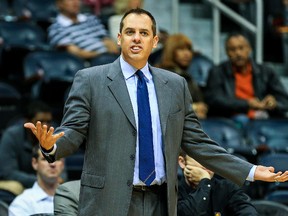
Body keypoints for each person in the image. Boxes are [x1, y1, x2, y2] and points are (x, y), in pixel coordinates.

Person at [24, 8, 288, 216]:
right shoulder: (90, 79)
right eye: (129, 32)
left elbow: (198, 142)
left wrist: (251, 170)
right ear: (119, 38)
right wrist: (51, 148)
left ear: (155, 40)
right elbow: (74, 130)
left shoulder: (175, 85)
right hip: (109, 202)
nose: (136, 38)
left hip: (160, 202)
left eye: (143, 33)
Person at [205, 32, 288, 127]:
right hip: (233, 119)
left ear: (249, 49)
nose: (238, 53)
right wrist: (247, 104)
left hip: (265, 116)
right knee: (242, 120)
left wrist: (274, 103)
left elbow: (284, 101)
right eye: (232, 49)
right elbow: (214, 100)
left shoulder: (266, 71)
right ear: (227, 52)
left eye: (241, 48)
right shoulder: (217, 72)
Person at [0, 100, 54, 205]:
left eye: (48, 121)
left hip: (46, 185)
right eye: (40, 122)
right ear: (27, 122)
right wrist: (41, 180)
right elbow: (9, 173)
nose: (45, 126)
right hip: (20, 184)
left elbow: (61, 172)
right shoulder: (11, 136)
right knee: (16, 186)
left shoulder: (52, 135)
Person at [177, 149, 259, 216]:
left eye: (211, 158)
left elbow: (249, 212)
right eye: (200, 157)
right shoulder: (173, 192)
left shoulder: (227, 188)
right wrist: (205, 182)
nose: (208, 164)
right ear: (182, 162)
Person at [48, 0, 119, 66]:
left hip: (110, 58)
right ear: (59, 4)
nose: (75, 2)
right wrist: (102, 54)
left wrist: (113, 53)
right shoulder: (56, 28)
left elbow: (108, 41)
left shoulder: (91, 18)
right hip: (89, 63)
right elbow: (78, 53)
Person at [157, 33, 208, 119]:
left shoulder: (188, 76)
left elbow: (200, 102)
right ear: (171, 51)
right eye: (181, 49)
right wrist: (194, 108)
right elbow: (165, 106)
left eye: (189, 49)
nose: (187, 54)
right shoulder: (161, 75)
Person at [8, 145, 65, 216]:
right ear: (35, 163)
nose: (52, 164)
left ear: (62, 164)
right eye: (45, 159)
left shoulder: (74, 199)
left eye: (57, 159)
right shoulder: (22, 203)